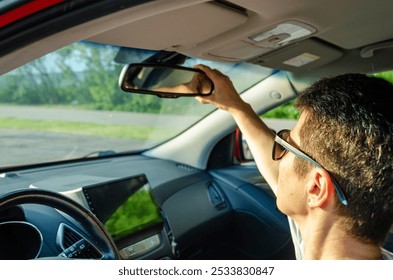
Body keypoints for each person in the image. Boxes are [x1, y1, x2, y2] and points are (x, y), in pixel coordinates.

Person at [194, 65, 393, 260]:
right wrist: (236, 106)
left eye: (288, 147)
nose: (279, 158)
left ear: (316, 188)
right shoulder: (326, 232)